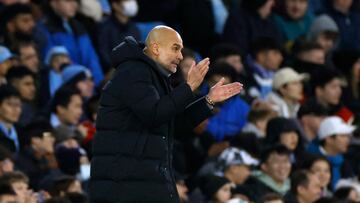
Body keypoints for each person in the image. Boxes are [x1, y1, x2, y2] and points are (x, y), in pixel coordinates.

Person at [90, 26, 243, 203]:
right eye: (175, 48)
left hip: (144, 183)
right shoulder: (133, 72)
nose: (180, 56)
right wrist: (188, 87)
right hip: (125, 188)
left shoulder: (155, 77)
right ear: (156, 48)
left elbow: (172, 126)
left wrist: (208, 100)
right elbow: (154, 114)